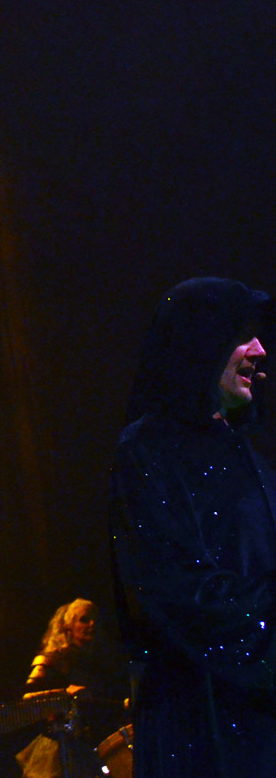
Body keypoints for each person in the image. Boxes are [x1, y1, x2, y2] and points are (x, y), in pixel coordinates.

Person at [110, 276, 276, 778]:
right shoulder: (147, 450)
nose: (260, 350)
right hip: (201, 723)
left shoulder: (248, 457)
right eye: (241, 335)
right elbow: (173, 588)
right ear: (200, 342)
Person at [16, 599, 126, 778]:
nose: (92, 624)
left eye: (95, 620)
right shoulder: (51, 659)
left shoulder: (96, 663)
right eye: (84, 620)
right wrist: (65, 694)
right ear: (68, 626)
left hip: (88, 748)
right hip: (59, 751)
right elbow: (27, 697)